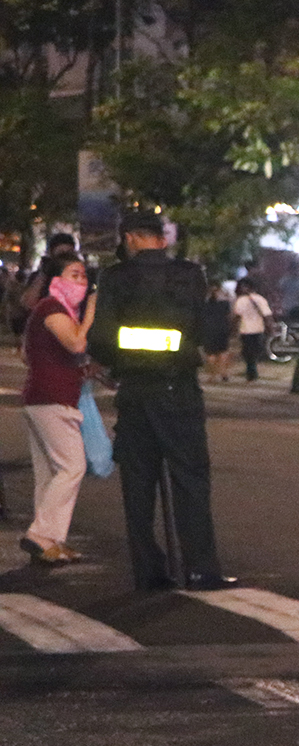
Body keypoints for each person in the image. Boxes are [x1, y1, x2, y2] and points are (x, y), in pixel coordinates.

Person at [85, 209, 233, 591]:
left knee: (138, 484)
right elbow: (209, 331)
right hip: (179, 388)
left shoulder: (116, 278)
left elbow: (101, 338)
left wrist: (117, 363)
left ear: (131, 238)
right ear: (161, 238)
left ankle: (149, 571)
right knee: (191, 480)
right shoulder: (190, 275)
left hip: (135, 391)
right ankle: (201, 569)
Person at [19, 251, 98, 565]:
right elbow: (76, 343)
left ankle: (50, 540)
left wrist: (85, 371)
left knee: (50, 474)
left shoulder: (57, 310)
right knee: (72, 467)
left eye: (83, 275)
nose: (81, 281)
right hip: (51, 399)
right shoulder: (51, 307)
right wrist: (91, 312)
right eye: (73, 274)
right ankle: (40, 535)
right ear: (55, 280)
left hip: (44, 397)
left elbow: (37, 355)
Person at [232, 276, 273, 382]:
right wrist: (270, 327)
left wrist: (233, 329)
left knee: (247, 351)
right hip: (258, 329)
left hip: (245, 330)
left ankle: (251, 371)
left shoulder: (240, 301)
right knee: (255, 351)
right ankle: (252, 370)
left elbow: (236, 316)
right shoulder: (260, 299)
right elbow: (267, 315)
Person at [199, 283, 234, 384]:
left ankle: (212, 376)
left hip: (209, 330)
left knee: (211, 354)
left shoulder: (204, 305)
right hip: (222, 329)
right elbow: (230, 316)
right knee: (223, 352)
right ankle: (224, 373)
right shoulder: (224, 304)